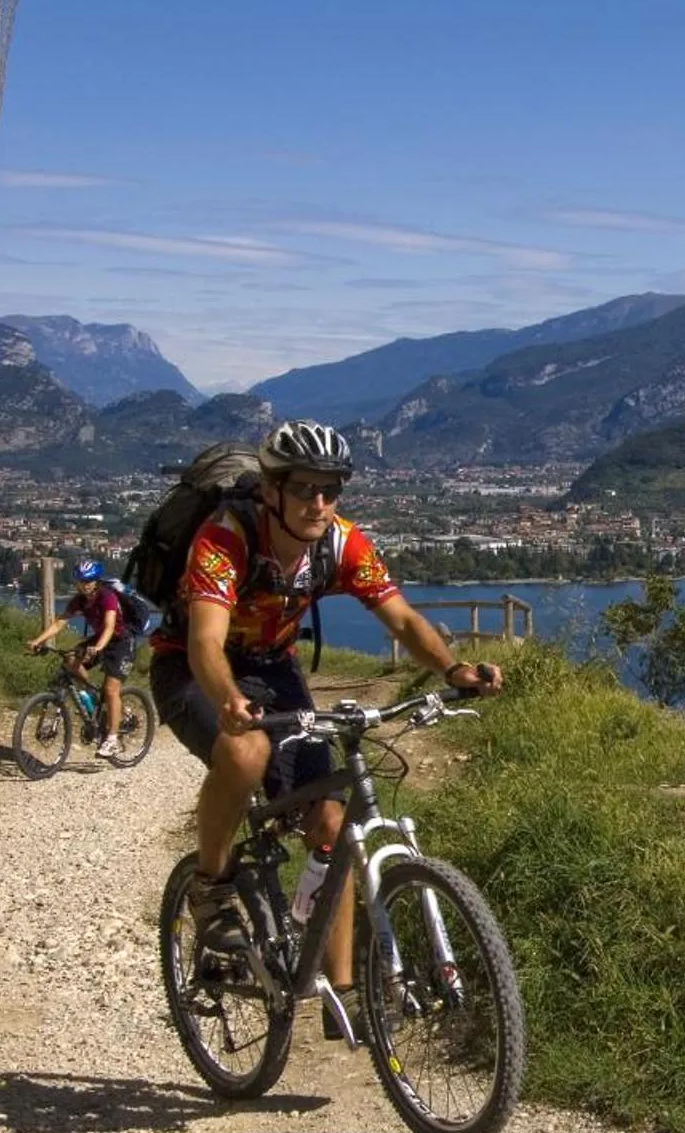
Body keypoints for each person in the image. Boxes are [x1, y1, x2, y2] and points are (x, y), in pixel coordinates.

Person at [151, 420, 501, 1034]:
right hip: (191, 669)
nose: (319, 504)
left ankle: (342, 995)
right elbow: (206, 641)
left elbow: (401, 619)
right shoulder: (225, 539)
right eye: (306, 489)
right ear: (271, 490)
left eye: (331, 490)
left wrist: (454, 667)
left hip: (272, 666)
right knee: (246, 751)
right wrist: (228, 699)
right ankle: (210, 885)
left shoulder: (338, 543)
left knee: (333, 822)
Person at [25, 558, 133, 758]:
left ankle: (112, 739)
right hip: (97, 641)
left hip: (120, 643)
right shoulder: (79, 600)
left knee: (111, 688)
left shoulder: (107, 597)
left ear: (96, 581)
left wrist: (98, 647)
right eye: (80, 581)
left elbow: (109, 626)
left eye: (88, 580)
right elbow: (60, 623)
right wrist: (38, 640)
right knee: (70, 660)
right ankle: (92, 694)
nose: (83, 585)